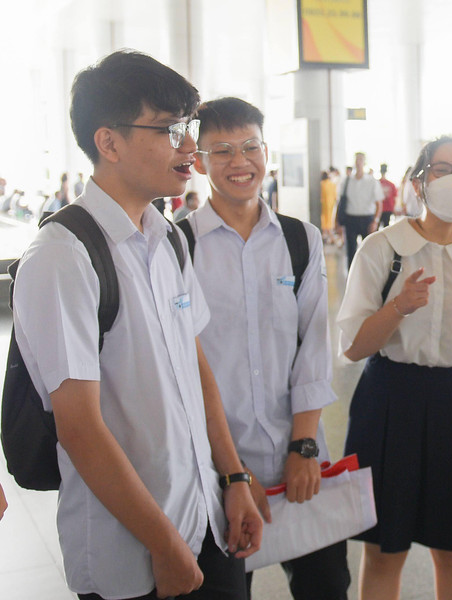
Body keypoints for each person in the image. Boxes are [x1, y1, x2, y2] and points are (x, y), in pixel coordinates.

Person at [11, 50, 261, 600]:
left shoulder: (166, 236)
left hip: (205, 523)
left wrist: (234, 478)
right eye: (171, 130)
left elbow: (196, 365)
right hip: (132, 556)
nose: (190, 147)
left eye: (188, 127)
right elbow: (79, 428)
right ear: (109, 142)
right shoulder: (63, 256)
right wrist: (163, 544)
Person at [337, 136, 452, 600]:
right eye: (442, 169)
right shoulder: (383, 249)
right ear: (419, 182)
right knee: (383, 548)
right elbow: (355, 347)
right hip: (390, 399)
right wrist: (397, 307)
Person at [188, 97, 350, 600]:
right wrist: (233, 471)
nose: (240, 162)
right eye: (222, 150)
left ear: (266, 150)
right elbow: (185, 368)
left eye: (250, 147)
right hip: (218, 474)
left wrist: (303, 448)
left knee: (325, 588)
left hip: (301, 461)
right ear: (198, 162)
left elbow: (314, 348)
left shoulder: (299, 239)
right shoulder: (178, 247)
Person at [342, 152, 384, 266]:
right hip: (350, 218)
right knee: (350, 251)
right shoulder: (347, 181)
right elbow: (341, 202)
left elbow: (379, 204)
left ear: (364, 162)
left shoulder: (371, 181)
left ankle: (368, 274)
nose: (358, 162)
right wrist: (338, 222)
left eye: (360, 160)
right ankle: (351, 276)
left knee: (368, 249)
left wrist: (375, 221)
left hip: (367, 219)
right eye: (356, 160)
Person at [377, 163, 397, 228]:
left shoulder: (377, 184)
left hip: (383, 209)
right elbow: (395, 198)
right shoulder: (391, 184)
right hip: (385, 209)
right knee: (386, 228)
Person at [320, 170, 337, 244]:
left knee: (324, 220)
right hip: (331, 204)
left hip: (324, 204)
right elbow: (335, 195)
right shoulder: (332, 184)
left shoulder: (322, 184)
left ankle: (328, 236)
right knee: (329, 220)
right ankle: (330, 237)